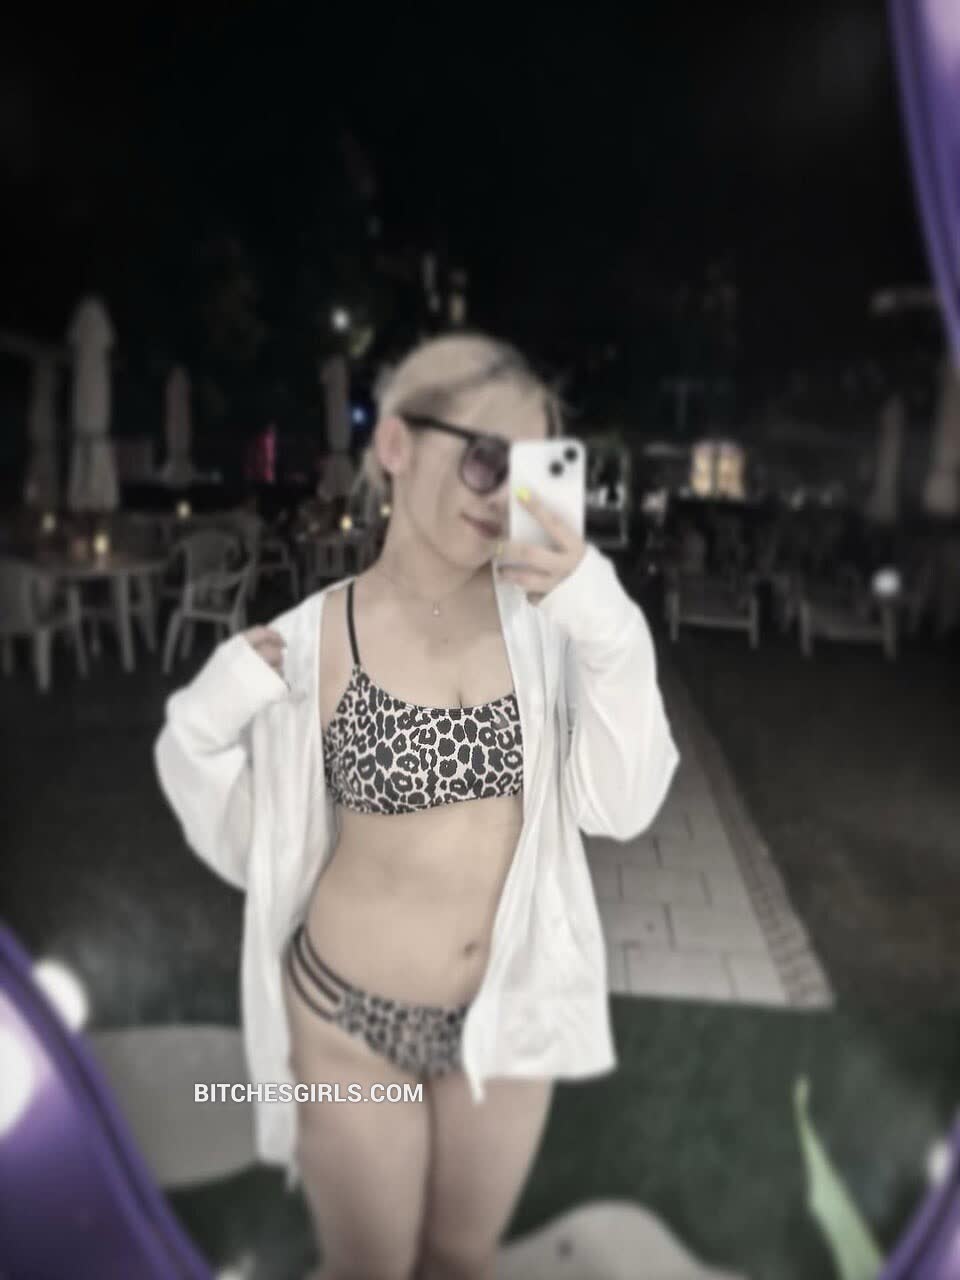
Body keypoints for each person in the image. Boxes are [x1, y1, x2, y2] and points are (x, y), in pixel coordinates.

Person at [154, 332, 680, 1279]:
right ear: (396, 444)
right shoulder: (312, 638)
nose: (505, 495)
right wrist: (219, 700)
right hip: (348, 1028)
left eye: (535, 468)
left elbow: (622, 804)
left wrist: (603, 619)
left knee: (462, 1260)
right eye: (485, 458)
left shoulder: (553, 625)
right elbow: (210, 789)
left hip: (507, 1015)